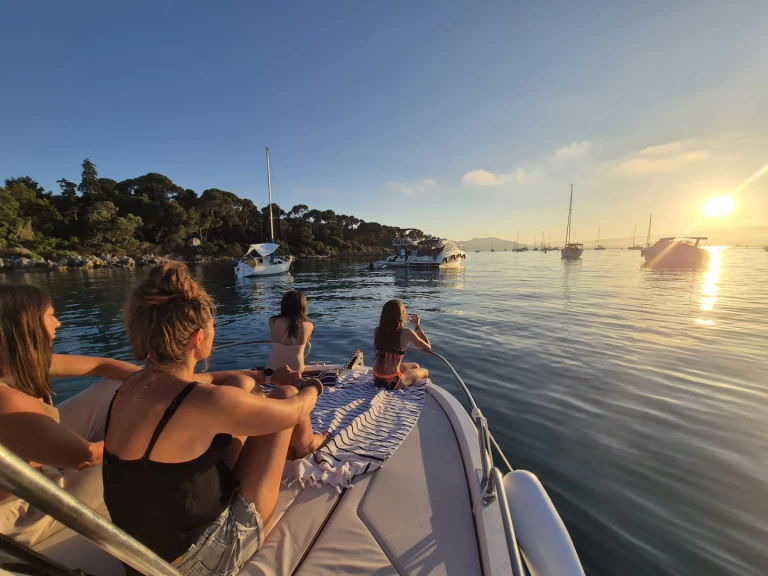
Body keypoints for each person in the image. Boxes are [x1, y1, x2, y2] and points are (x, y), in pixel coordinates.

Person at [103, 263, 327, 575]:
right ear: (197, 338)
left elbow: (210, 379)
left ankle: (298, 436)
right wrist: (311, 385)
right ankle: (306, 444)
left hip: (139, 558)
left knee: (238, 384)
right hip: (196, 563)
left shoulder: (130, 386)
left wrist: (255, 375)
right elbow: (296, 411)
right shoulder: (205, 402)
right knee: (286, 395)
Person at [0, 284, 141, 547]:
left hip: (38, 468)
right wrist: (163, 431)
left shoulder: (15, 363)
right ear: (26, 323)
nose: (59, 322)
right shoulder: (6, 400)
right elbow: (88, 457)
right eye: (51, 315)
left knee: (114, 386)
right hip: (19, 510)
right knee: (135, 466)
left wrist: (175, 386)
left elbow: (101, 365)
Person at [372, 299, 431, 390]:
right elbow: (428, 347)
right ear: (400, 315)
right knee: (425, 371)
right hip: (392, 382)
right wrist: (417, 326)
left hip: (376, 378)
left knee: (415, 366)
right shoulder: (406, 333)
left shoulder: (377, 331)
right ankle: (417, 391)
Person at [265, 290, 313, 374]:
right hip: (296, 371)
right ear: (302, 307)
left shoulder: (272, 321)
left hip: (271, 370)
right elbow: (307, 339)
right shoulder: (308, 326)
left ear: (283, 305)